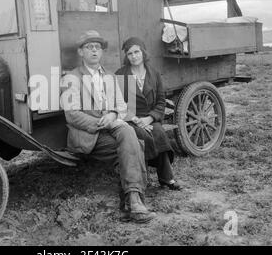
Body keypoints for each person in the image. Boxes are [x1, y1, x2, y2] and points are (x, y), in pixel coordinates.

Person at [60, 30, 156, 223]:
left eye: (98, 47)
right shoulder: (71, 77)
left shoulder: (110, 76)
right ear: (81, 52)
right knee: (133, 144)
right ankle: (133, 202)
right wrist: (99, 123)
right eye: (89, 47)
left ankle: (133, 201)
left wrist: (112, 114)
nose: (94, 51)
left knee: (128, 132)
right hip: (88, 135)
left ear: (102, 52)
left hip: (111, 127)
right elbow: (71, 115)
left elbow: (121, 107)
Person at [115, 37, 182, 190]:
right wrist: (136, 120)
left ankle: (166, 178)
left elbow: (161, 101)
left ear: (143, 53)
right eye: (130, 53)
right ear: (126, 56)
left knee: (158, 132)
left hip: (149, 117)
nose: (134, 56)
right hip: (129, 119)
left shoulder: (154, 74)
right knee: (143, 136)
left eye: (136, 52)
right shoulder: (121, 75)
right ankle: (140, 180)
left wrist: (149, 118)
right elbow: (118, 104)